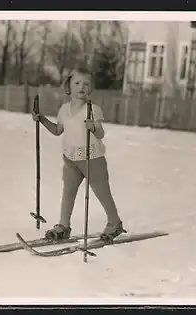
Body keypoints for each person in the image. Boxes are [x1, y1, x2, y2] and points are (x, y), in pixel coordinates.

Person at [32, 67, 126, 242]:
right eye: (77, 83)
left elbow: (100, 134)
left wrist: (94, 127)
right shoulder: (64, 109)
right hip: (70, 159)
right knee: (68, 194)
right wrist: (42, 120)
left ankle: (114, 222)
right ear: (69, 85)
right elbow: (58, 130)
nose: (81, 87)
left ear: (90, 88)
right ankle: (63, 226)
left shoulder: (92, 109)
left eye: (86, 84)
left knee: (102, 192)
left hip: (92, 158)